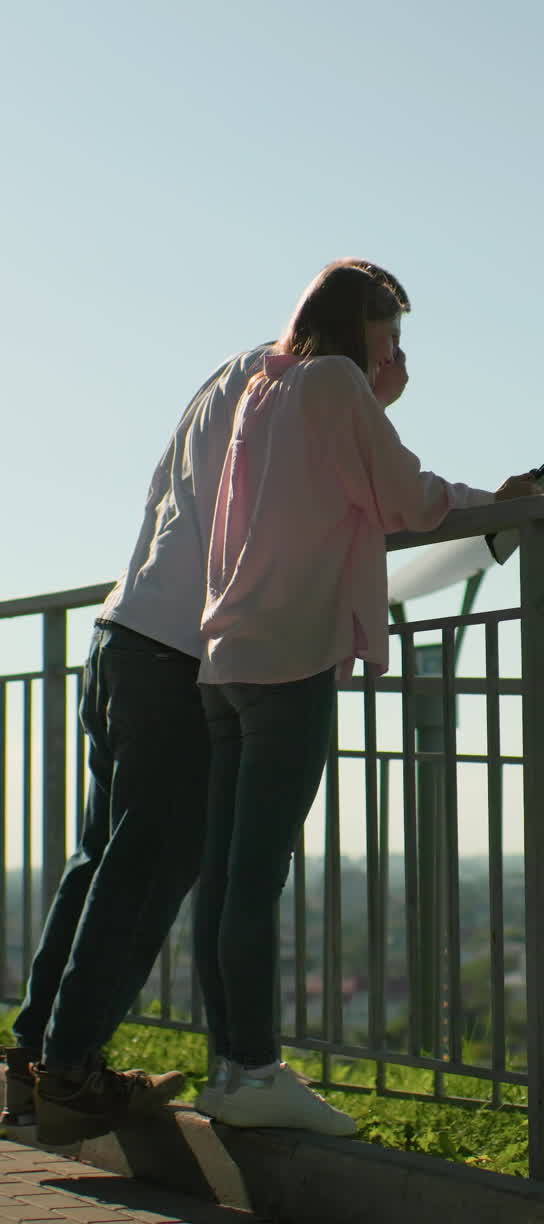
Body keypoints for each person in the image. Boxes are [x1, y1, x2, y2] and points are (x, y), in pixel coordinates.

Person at [191, 261, 538, 1136]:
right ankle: (261, 1070)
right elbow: (403, 495)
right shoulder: (337, 381)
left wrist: (372, 410)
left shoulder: (266, 391)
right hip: (289, 657)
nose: (398, 350)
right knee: (256, 879)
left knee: (228, 877)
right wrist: (493, 499)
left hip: (227, 654)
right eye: (391, 331)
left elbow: (316, 488)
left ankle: (230, 1070)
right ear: (362, 324)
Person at [0, 343, 270, 1145]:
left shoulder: (224, 381)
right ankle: (72, 1073)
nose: (396, 363)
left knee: (104, 858)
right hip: (172, 655)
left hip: (121, 636)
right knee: (151, 861)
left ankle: (31, 1061)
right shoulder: (293, 389)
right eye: (386, 342)